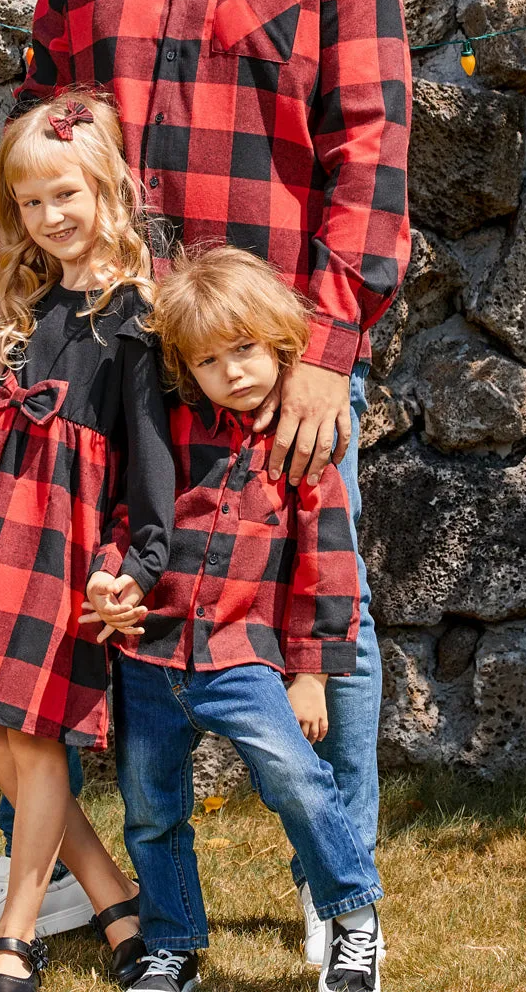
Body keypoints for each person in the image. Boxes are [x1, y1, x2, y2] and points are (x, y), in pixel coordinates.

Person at [0, 0, 413, 966]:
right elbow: (42, 131)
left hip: (266, 365)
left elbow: (373, 158)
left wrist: (329, 353)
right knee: (92, 618)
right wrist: (32, 308)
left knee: (322, 629)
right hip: (116, 367)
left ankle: (342, 903)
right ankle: (94, 889)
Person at [0, 93, 176, 992]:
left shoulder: (135, 317)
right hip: (1, 543)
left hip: (65, 555)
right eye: (30, 204)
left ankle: (17, 938)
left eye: (65, 195)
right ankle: (113, 900)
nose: (49, 218)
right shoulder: (31, 305)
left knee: (32, 747)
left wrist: (135, 566)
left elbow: (149, 468)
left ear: (108, 186)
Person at [86, 245, 385, 992]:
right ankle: (172, 945)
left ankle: (353, 919)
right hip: (152, 655)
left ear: (281, 341)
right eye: (212, 360)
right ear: (188, 370)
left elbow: (328, 569)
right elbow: (133, 517)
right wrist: (114, 571)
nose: (235, 372)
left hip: (243, 657)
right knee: (151, 811)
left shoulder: (301, 448)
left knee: (298, 781)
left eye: (246, 349)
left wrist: (311, 675)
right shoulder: (175, 433)